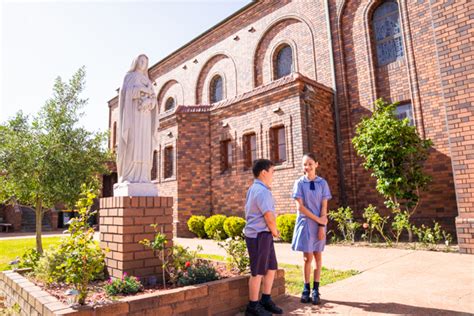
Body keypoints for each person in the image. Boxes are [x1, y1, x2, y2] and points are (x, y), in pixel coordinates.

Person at [243, 159, 283, 316]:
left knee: (271, 267)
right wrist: (275, 231)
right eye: (272, 172)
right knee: (257, 272)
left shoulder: (256, 188)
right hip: (259, 235)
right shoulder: (261, 191)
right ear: (264, 173)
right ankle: (252, 306)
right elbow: (268, 215)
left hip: (263, 235)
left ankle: (265, 299)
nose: (274, 175)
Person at [291, 153, 332, 305]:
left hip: (319, 225)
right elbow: (300, 207)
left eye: (310, 164)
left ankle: (316, 289)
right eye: (304, 164)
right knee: (307, 258)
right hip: (306, 224)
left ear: (316, 164)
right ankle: (306, 288)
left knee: (318, 257)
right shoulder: (299, 183)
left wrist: (322, 225)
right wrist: (318, 220)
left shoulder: (323, 183)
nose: (307, 167)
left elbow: (324, 206)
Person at [116, 54, 157, 184]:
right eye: (141, 60)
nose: (143, 62)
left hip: (145, 118)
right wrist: (139, 90)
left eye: (146, 61)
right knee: (132, 143)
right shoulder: (129, 77)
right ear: (136, 62)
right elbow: (125, 94)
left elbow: (154, 99)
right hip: (133, 117)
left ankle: (143, 176)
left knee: (144, 145)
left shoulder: (148, 81)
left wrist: (149, 102)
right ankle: (128, 176)